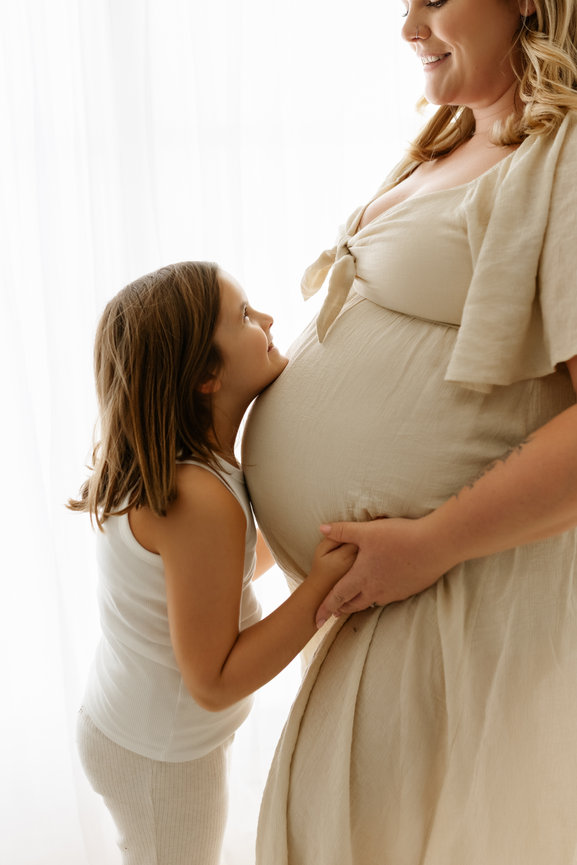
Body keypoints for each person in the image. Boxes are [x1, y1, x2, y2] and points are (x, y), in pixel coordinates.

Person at [242, 0, 577, 862]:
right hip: (383, 600)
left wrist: (430, 541)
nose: (408, 26)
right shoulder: (451, 132)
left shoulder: (568, 156)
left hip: (456, 599)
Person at [69, 261, 356, 865]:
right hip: (161, 756)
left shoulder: (183, 469)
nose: (270, 320)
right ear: (205, 374)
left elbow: (211, 583)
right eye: (246, 316)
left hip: (129, 727)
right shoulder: (198, 499)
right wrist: (321, 589)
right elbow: (213, 681)